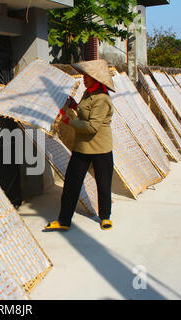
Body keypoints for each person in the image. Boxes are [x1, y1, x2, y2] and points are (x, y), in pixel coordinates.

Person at [44, 59, 115, 231]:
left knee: (103, 184)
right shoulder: (88, 93)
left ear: (96, 79)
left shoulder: (102, 99)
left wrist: (67, 120)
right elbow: (85, 112)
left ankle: (105, 217)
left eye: (87, 76)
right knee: (71, 184)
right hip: (82, 147)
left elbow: (91, 127)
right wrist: (74, 105)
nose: (83, 78)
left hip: (100, 148)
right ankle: (64, 220)